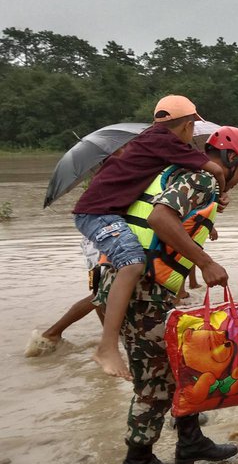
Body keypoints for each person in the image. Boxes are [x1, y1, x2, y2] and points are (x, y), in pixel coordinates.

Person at [93, 125, 238, 464]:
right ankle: (137, 461)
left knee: (180, 364)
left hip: (133, 282)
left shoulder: (185, 174)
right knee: (156, 381)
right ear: (231, 158)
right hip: (142, 289)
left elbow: (165, 218)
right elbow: (158, 218)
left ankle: (190, 441)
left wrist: (203, 225)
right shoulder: (203, 179)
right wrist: (206, 263)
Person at [73, 95, 227, 380]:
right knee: (132, 263)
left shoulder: (150, 141)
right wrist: (221, 192)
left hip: (109, 212)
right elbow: (215, 168)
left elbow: (159, 196)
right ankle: (107, 346)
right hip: (97, 214)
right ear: (187, 126)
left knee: (125, 269)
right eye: (192, 128)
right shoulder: (165, 141)